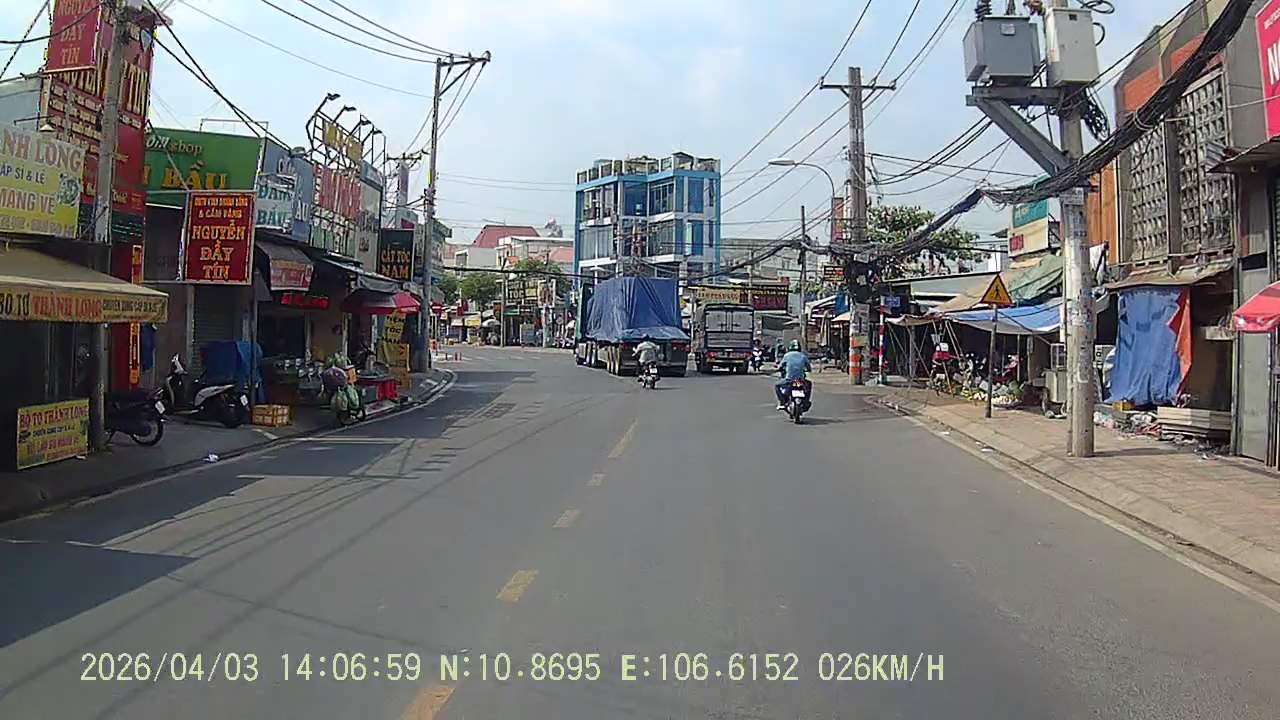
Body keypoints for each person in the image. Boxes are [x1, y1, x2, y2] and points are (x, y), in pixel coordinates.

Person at [775, 339, 812, 410]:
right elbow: (808, 367)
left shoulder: (787, 356)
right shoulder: (803, 356)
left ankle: (782, 402)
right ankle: (806, 401)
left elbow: (780, 366)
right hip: (800, 380)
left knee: (777, 386)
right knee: (809, 384)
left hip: (789, 379)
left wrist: (779, 368)